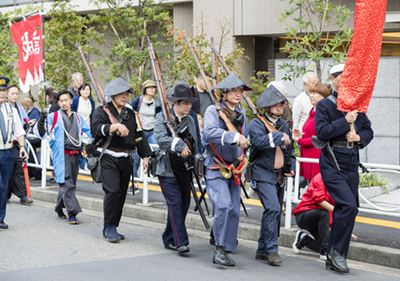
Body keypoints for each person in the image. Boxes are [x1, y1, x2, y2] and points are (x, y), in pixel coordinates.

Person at [315, 63, 373, 273]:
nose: (347, 79)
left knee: (349, 208)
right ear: (333, 78)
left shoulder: (358, 105)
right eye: (343, 76)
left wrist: (359, 137)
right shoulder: (325, 105)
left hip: (351, 160)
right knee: (347, 205)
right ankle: (338, 253)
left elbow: (368, 130)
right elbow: (322, 132)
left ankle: (334, 254)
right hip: (332, 161)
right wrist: (345, 121)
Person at [91, 77, 151, 242]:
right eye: (121, 94)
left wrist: (145, 155)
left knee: (121, 194)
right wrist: (114, 127)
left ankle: (112, 225)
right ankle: (109, 226)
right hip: (108, 156)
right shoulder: (101, 111)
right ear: (112, 95)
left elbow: (139, 134)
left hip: (126, 158)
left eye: (126, 94)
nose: (125, 96)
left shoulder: (130, 112)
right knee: (113, 191)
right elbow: (96, 129)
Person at [202, 73, 249, 266]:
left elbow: (245, 141)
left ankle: (226, 244)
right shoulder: (212, 111)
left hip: (235, 168)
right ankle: (219, 249)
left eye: (240, 91)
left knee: (235, 210)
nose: (238, 94)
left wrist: (243, 168)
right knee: (223, 205)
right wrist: (233, 136)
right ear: (224, 94)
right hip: (216, 166)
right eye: (234, 91)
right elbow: (209, 133)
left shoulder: (241, 114)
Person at [249, 81, 296, 265]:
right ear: (267, 106)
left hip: (278, 175)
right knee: (274, 209)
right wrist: (277, 137)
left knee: (273, 211)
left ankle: (262, 249)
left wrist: (289, 166)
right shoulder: (256, 123)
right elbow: (259, 142)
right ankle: (271, 250)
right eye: (276, 105)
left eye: (281, 104)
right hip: (262, 172)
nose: (279, 107)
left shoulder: (283, 124)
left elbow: (289, 148)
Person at [153, 83, 200, 255]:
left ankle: (168, 237)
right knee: (175, 203)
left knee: (184, 205)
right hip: (167, 168)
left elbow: (197, 143)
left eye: (190, 103)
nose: (189, 106)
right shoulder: (162, 117)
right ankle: (181, 242)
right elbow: (160, 138)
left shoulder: (191, 119)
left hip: (185, 168)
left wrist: (198, 165)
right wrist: (179, 144)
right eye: (185, 103)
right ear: (176, 103)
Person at [35, 90, 92, 225]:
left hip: (75, 155)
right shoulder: (53, 117)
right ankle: (72, 213)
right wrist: (42, 119)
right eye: (60, 101)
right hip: (61, 155)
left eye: (66, 100)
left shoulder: (78, 118)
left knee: (68, 184)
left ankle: (58, 207)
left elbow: (86, 135)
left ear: (71, 101)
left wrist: (85, 148)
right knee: (67, 183)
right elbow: (42, 134)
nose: (63, 103)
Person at [292, 173, 358, 261]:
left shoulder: (337, 183)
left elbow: (335, 212)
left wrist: (344, 229)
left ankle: (303, 238)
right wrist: (337, 210)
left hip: (320, 221)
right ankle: (324, 251)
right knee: (323, 213)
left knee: (333, 245)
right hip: (304, 215)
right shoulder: (319, 178)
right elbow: (320, 200)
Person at [0, 76, 28, 229]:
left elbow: (18, 130)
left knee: (4, 186)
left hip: (7, 152)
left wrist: (22, 147)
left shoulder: (11, 110)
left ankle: (0, 218)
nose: (2, 94)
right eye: (0, 91)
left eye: (4, 90)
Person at [293, 82, 331, 181]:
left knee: (317, 188)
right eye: (311, 93)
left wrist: (299, 141)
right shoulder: (312, 112)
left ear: (323, 96)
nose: (311, 95)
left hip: (317, 155)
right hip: (308, 154)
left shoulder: (323, 114)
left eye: (315, 93)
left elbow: (320, 138)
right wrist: (301, 136)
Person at [129, 80, 161, 191]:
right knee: (136, 157)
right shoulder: (139, 100)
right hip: (140, 131)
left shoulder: (157, 102)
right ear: (145, 89)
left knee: (156, 152)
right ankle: (134, 182)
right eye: (149, 88)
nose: (152, 89)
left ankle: (152, 177)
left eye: (153, 87)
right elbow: (128, 109)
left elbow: (162, 116)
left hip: (152, 130)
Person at [6, 85, 36, 205]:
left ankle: (23, 195)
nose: (14, 96)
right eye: (12, 93)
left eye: (16, 94)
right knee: (8, 169)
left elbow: (22, 125)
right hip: (5, 144)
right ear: (7, 94)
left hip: (17, 143)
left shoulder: (18, 108)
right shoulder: (3, 107)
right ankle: (6, 194)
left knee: (20, 166)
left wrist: (27, 124)